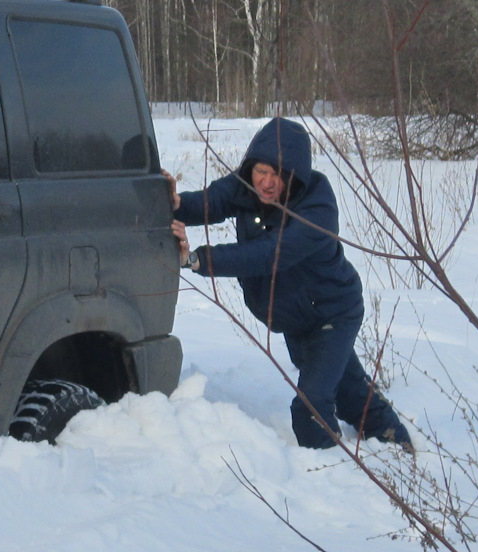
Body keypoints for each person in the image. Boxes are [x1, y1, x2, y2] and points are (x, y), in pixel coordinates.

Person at [168, 116, 411, 452]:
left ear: (295, 175)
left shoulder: (316, 206)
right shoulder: (246, 185)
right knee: (351, 394)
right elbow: (210, 202)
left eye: (278, 175)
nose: (266, 183)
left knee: (310, 409)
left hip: (332, 313)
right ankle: (400, 449)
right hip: (294, 318)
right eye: (260, 172)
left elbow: (270, 254)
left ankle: (335, 475)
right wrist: (172, 202)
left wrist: (197, 260)